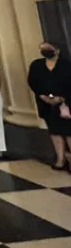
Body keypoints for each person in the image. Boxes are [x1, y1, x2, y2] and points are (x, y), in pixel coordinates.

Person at [27, 42, 71, 170]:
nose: (45, 51)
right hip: (46, 103)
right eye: (42, 49)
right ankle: (60, 158)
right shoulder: (37, 65)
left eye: (48, 49)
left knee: (69, 132)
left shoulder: (66, 65)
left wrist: (62, 97)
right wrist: (43, 96)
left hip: (65, 103)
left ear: (57, 50)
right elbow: (32, 82)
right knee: (54, 131)